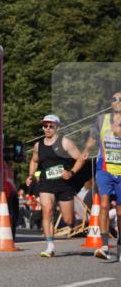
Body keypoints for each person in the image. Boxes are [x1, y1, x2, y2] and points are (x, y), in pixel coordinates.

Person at [26, 115, 85, 258]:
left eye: (50, 126)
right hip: (46, 183)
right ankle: (50, 246)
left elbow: (81, 158)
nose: (47, 128)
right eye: (45, 126)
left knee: (69, 220)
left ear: (57, 127)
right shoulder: (38, 145)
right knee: (47, 210)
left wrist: (71, 172)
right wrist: (31, 175)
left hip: (64, 185)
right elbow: (34, 161)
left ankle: (72, 225)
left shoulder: (65, 142)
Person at [83, 91, 121, 262]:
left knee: (120, 213)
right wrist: (85, 150)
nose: (117, 102)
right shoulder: (102, 120)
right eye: (114, 99)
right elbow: (92, 138)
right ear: (110, 102)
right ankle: (104, 246)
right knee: (104, 204)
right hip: (104, 168)